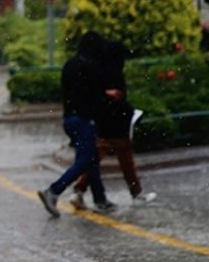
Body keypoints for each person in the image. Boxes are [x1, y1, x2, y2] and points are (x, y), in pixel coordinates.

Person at [70, 38, 156, 208]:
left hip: (103, 122)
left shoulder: (98, 71)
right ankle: (136, 193)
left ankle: (79, 189)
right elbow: (119, 97)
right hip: (117, 123)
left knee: (97, 157)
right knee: (126, 159)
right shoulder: (115, 73)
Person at [38, 32, 117, 217]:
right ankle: (53, 191)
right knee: (86, 161)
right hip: (84, 120)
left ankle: (100, 199)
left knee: (91, 160)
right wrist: (109, 96)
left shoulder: (70, 65)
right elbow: (95, 96)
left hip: (69, 119)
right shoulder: (92, 67)